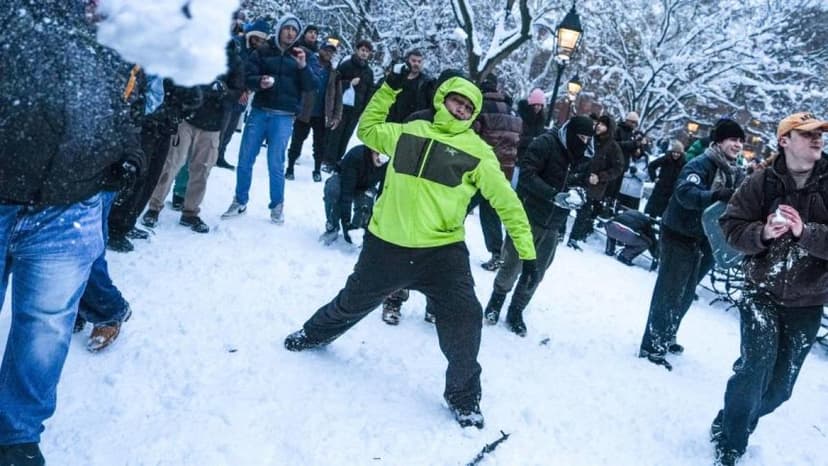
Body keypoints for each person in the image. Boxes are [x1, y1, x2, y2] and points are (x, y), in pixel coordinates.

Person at [283, 67, 537, 429]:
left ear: (474, 115)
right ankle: (313, 334)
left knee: (465, 318)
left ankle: (463, 398)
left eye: (468, 107)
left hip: (442, 253)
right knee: (351, 302)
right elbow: (367, 130)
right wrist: (388, 89)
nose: (461, 109)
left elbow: (507, 203)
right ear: (442, 99)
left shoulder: (479, 153)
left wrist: (526, 253)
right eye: (456, 100)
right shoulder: (409, 132)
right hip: (387, 245)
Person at [0, 1, 144, 462]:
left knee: (44, 327)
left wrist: (129, 156)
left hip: (69, 209)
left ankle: (18, 434)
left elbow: (124, 111)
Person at [711, 112, 828, 466]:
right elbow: (730, 227)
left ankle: (733, 419)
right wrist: (760, 234)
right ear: (784, 141)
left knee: (779, 390)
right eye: (807, 134)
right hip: (760, 291)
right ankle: (731, 445)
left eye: (820, 133)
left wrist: (804, 232)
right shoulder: (761, 181)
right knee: (753, 369)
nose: (817, 139)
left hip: (808, 300)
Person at [638, 119, 746, 371]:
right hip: (680, 234)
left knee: (687, 293)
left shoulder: (733, 170)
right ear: (719, 141)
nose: (738, 145)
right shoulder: (700, 164)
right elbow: (684, 194)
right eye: (733, 139)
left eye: (741, 141)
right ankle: (652, 345)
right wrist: (714, 195)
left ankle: (668, 334)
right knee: (670, 291)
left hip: (706, 239)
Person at [484, 116, 595, 336]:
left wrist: (580, 194)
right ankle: (496, 302)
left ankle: (517, 310)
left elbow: (581, 182)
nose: (583, 142)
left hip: (554, 223)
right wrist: (553, 195)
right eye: (580, 137)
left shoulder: (585, 155)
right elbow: (526, 174)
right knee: (512, 264)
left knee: (537, 271)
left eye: (587, 138)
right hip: (528, 216)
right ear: (571, 132)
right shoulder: (546, 143)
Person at [221, 14, 316, 224]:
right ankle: (240, 200)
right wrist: (259, 82)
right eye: (287, 28)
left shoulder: (302, 55)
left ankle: (277, 206)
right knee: (245, 158)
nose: (291, 33)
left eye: (294, 30)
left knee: (276, 163)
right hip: (260, 111)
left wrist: (302, 66)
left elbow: (311, 86)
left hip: (284, 116)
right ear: (280, 29)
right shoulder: (263, 50)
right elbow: (246, 76)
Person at [470, 73, 523, 271]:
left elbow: (472, 136)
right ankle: (496, 254)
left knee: (457, 209)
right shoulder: (512, 111)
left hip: (481, 170)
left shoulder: (479, 107)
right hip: (503, 173)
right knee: (491, 214)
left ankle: (438, 247)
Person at [215, 19, 271, 171]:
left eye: (262, 40)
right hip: (229, 92)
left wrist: (248, 89)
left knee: (231, 127)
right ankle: (213, 153)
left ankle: (220, 154)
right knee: (221, 126)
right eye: (257, 38)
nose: (258, 42)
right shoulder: (237, 44)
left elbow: (255, 73)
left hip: (243, 94)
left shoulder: (260, 53)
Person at [286, 37, 343, 182]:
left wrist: (336, 116)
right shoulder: (309, 62)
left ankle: (317, 170)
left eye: (331, 52)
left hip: (323, 114)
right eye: (326, 50)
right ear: (320, 49)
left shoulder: (334, 73)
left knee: (320, 145)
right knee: (297, 141)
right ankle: (290, 167)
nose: (329, 53)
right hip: (304, 110)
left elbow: (338, 97)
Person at [567, 114, 624, 249]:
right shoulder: (590, 138)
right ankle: (560, 232)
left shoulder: (613, 147)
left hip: (594, 184)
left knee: (584, 211)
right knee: (567, 202)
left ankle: (574, 238)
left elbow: (618, 167)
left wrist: (601, 176)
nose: (599, 126)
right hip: (579, 176)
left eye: (603, 125)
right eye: (599, 123)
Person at [319, 144, 387, 245]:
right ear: (372, 150)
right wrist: (346, 224)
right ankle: (332, 226)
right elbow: (347, 194)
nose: (380, 159)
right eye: (377, 154)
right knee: (333, 191)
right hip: (343, 180)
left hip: (366, 186)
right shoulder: (356, 156)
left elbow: (382, 194)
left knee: (366, 204)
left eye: (384, 157)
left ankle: (358, 231)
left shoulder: (389, 164)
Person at [323, 40, 375, 171]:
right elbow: (335, 82)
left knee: (346, 135)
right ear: (357, 50)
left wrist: (365, 109)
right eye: (362, 50)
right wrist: (349, 83)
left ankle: (338, 161)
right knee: (336, 133)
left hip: (356, 109)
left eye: (367, 51)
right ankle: (328, 160)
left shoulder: (369, 72)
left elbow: (369, 92)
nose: (364, 53)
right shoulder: (346, 64)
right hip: (342, 106)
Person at [384, 49, 433, 123]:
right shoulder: (396, 79)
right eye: (413, 61)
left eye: (419, 62)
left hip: (413, 126)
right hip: (392, 124)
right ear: (407, 61)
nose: (416, 64)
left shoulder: (427, 83)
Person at [644, 140, 685, 218]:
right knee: (653, 212)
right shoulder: (666, 158)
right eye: (674, 152)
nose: (675, 154)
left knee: (665, 214)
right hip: (660, 188)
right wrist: (654, 178)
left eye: (678, 153)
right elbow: (652, 166)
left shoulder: (683, 163)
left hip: (671, 191)